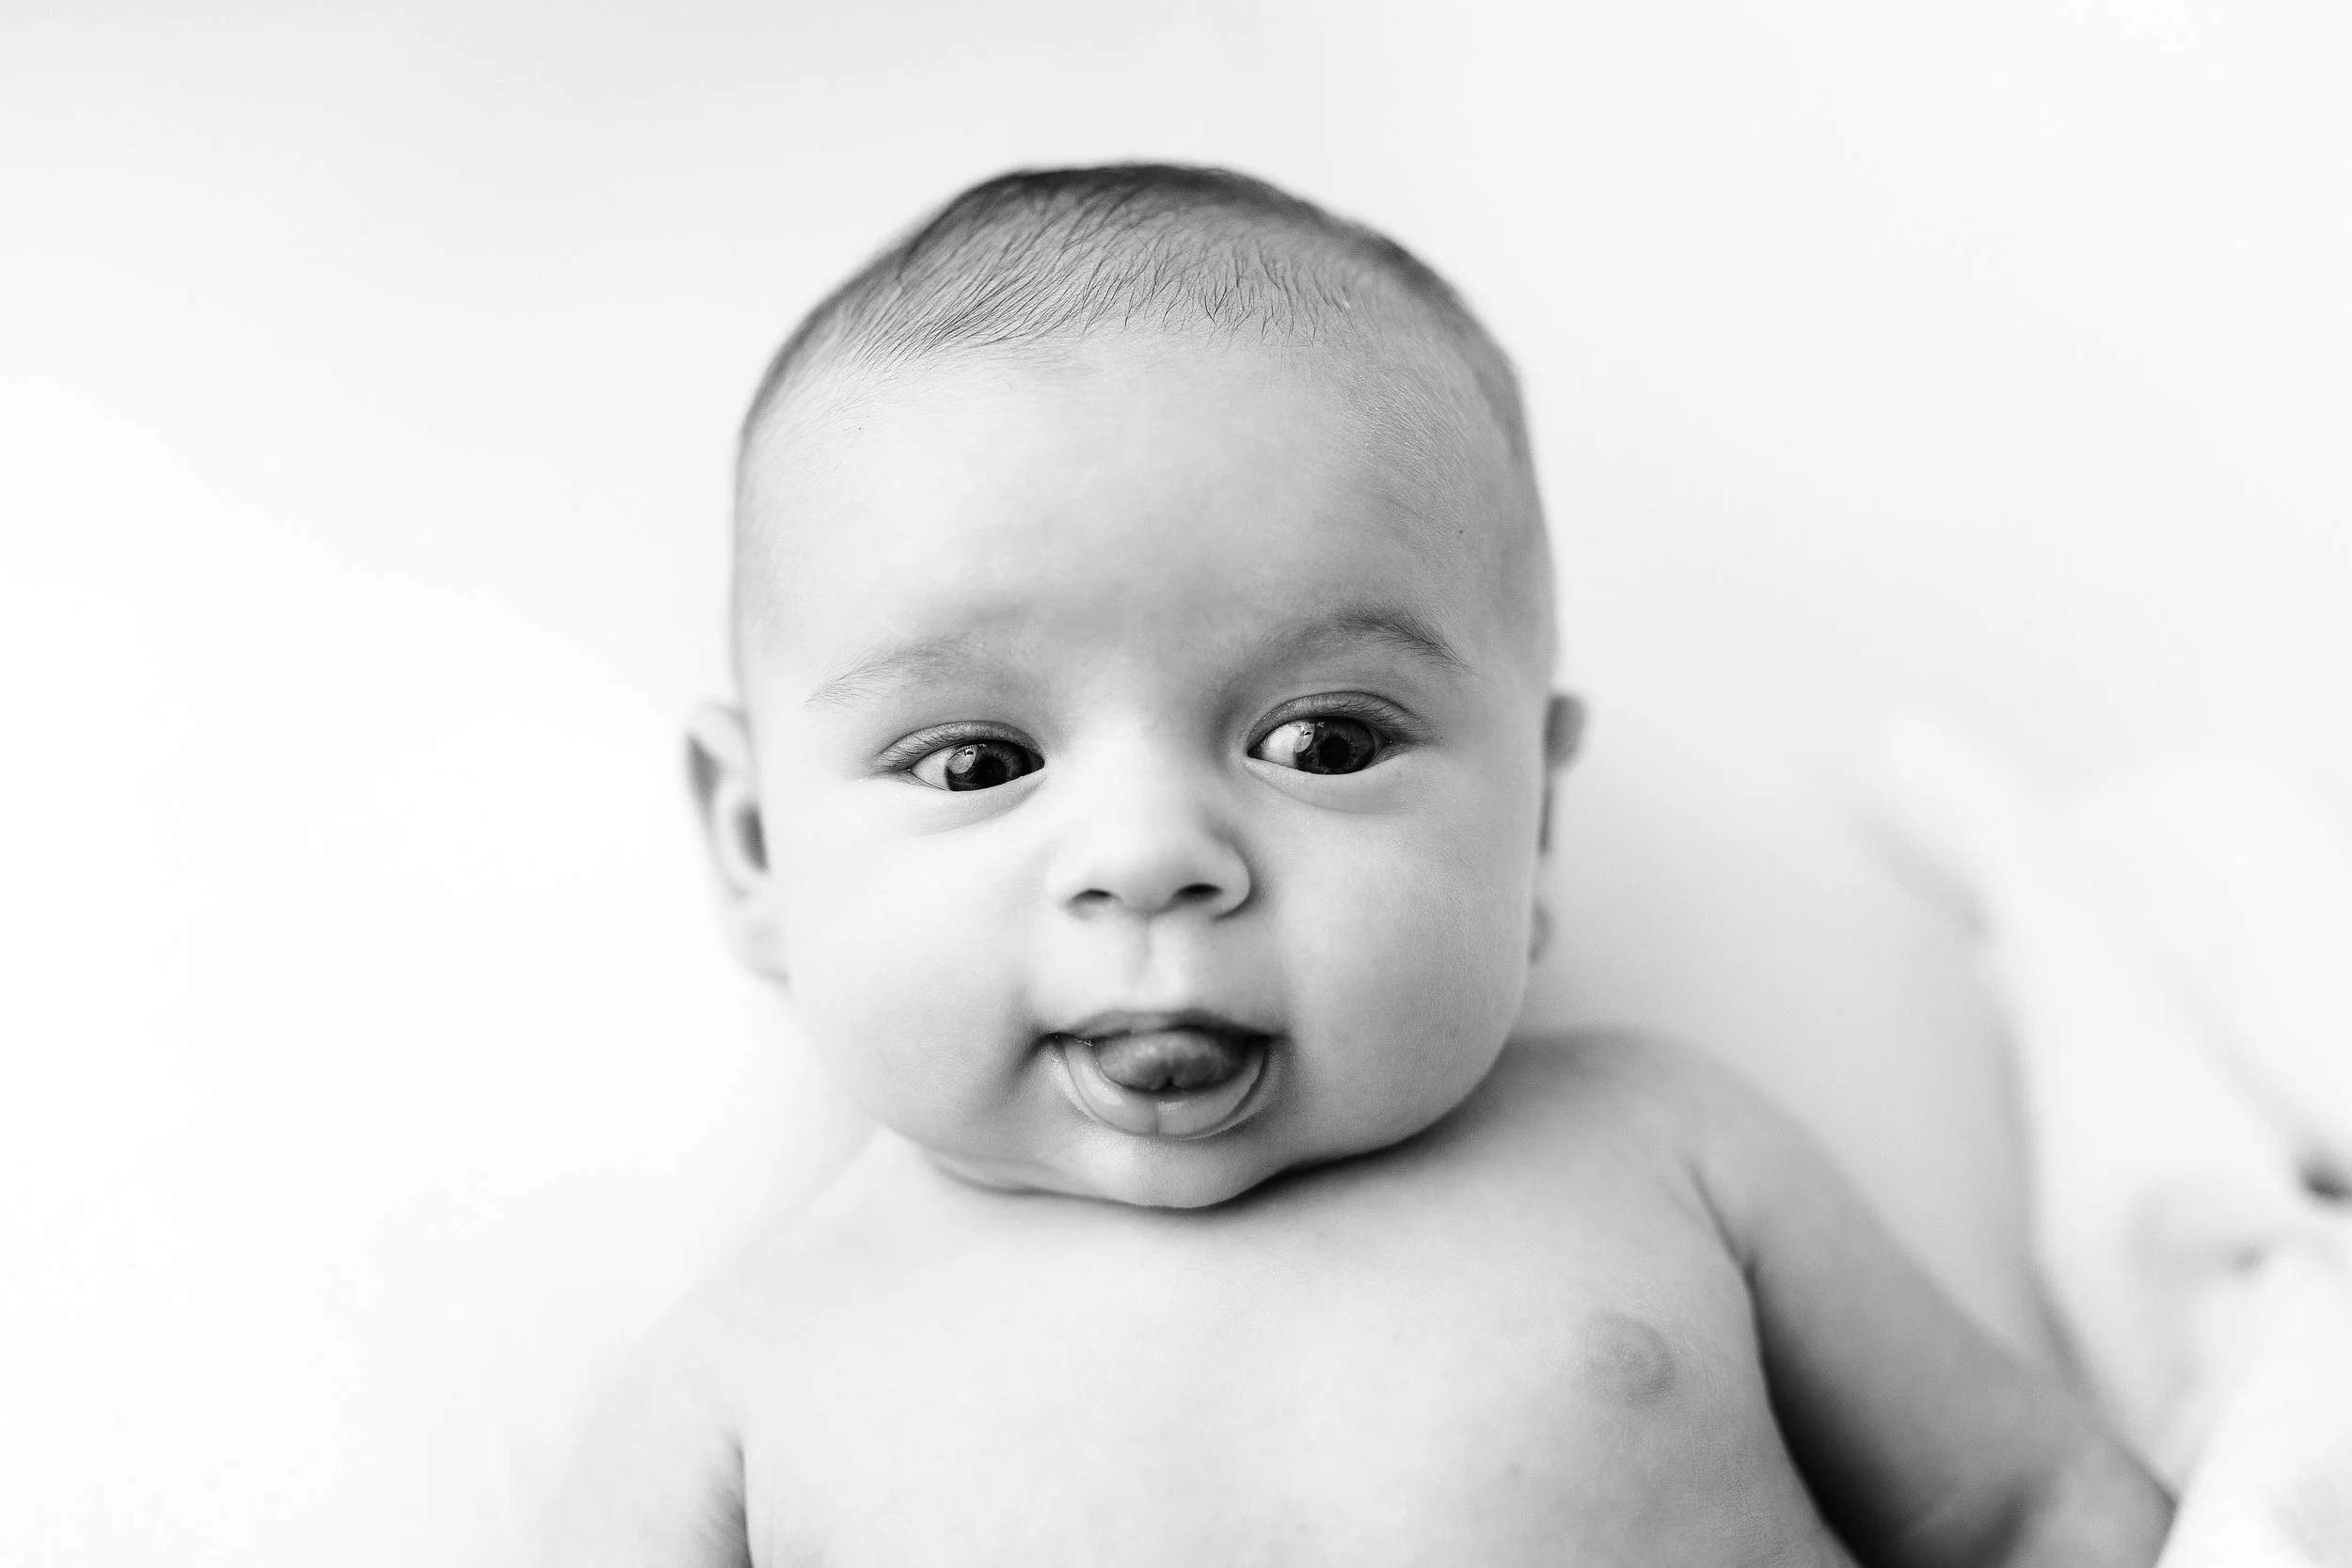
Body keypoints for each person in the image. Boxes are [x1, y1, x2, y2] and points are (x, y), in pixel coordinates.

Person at [547, 164, 2169, 1565]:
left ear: (1530, 822)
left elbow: (2029, 1506)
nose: (1152, 858)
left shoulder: (1665, 1150)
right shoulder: (745, 1382)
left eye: (1323, 742)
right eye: (979, 762)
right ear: (758, 844)